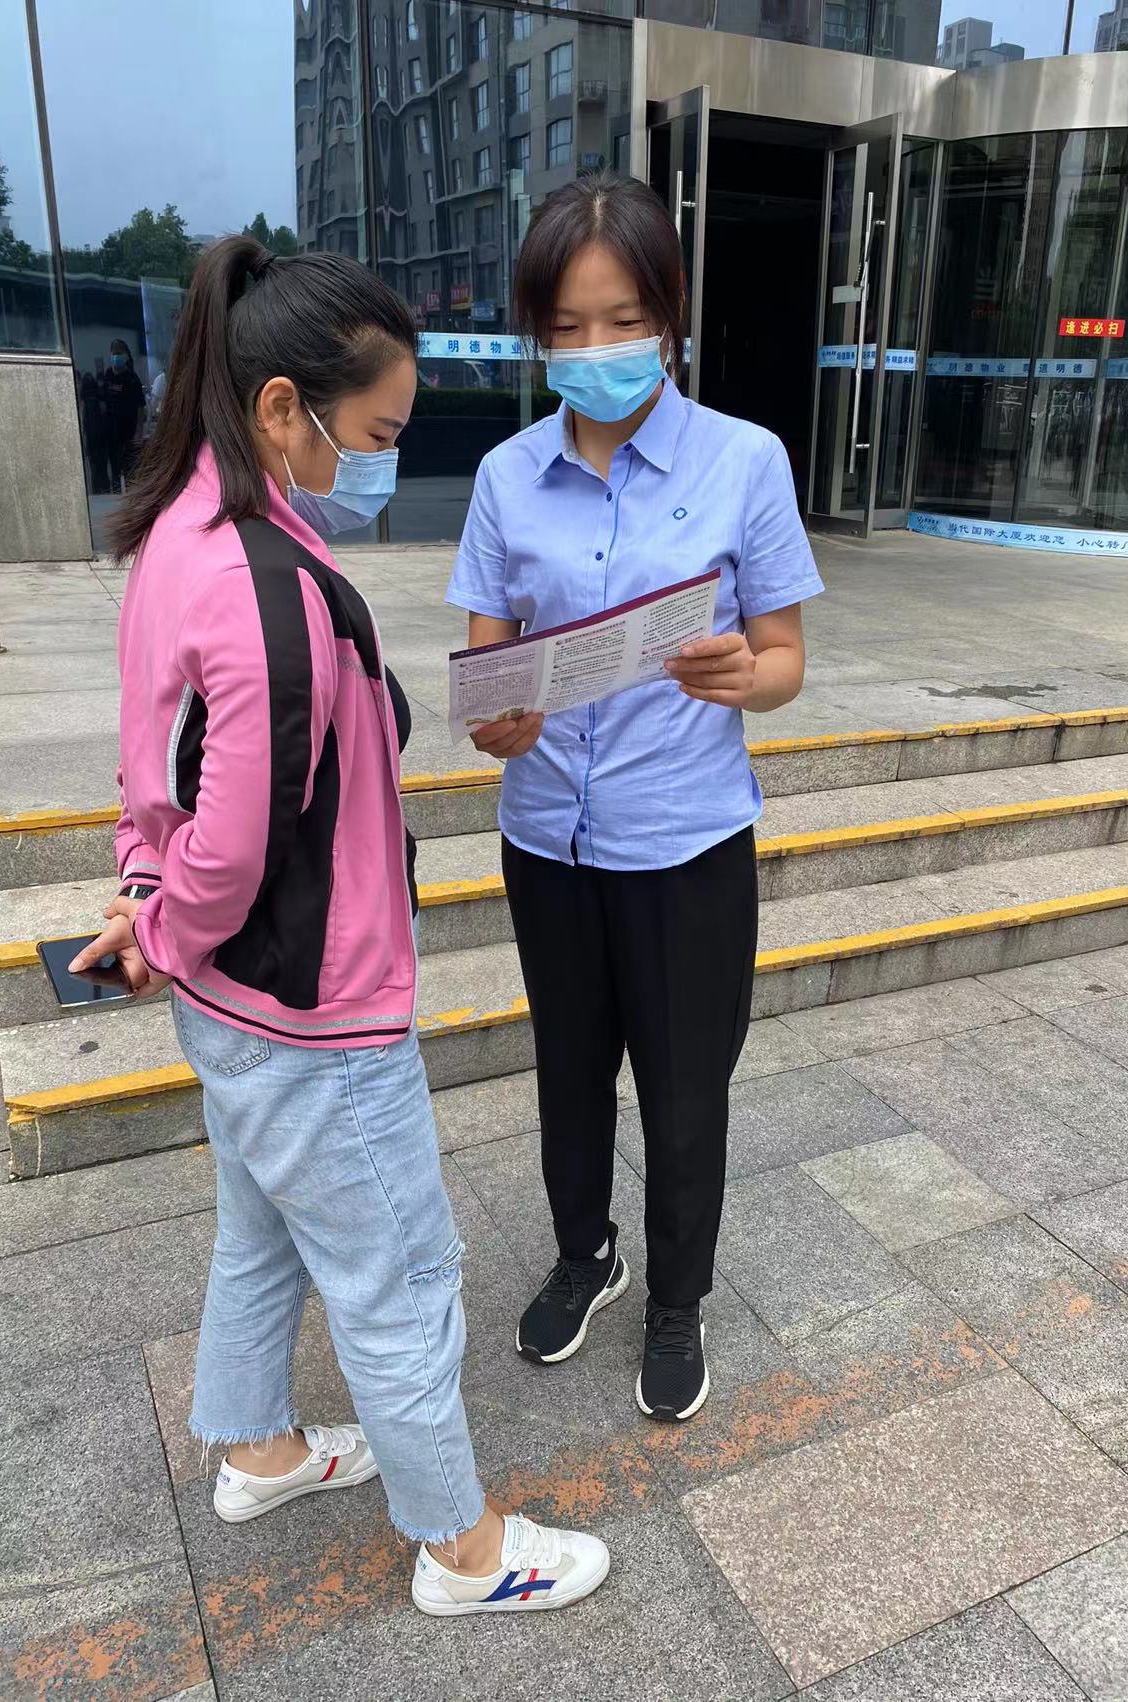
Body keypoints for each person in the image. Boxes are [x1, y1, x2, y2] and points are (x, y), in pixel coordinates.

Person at [72, 235, 609, 1618]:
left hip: (238, 1005)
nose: (382, 462)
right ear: (280, 409)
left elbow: (155, 771)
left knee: (263, 1230)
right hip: (316, 1010)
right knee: (402, 1274)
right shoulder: (268, 589)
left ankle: (258, 1449)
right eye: (371, 434)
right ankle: (464, 1548)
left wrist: (145, 896)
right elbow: (238, 841)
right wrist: (170, 922)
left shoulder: (177, 536)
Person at [446, 173, 824, 1422]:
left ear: (668, 314)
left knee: (682, 1083)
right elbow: (488, 667)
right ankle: (585, 1254)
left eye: (621, 319)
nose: (595, 347)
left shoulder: (743, 460)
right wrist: (498, 723)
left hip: (685, 839)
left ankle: (677, 1296)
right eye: (566, 325)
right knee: (568, 1068)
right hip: (547, 836)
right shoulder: (506, 477)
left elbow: (784, 657)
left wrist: (746, 676)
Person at [100, 338, 145, 492]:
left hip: (129, 429)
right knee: (115, 468)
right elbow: (103, 401)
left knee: (130, 468)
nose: (116, 357)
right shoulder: (107, 375)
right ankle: (116, 494)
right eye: (114, 353)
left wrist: (138, 431)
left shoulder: (132, 378)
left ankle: (131, 497)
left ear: (125, 356)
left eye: (119, 353)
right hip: (111, 430)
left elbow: (140, 406)